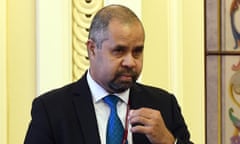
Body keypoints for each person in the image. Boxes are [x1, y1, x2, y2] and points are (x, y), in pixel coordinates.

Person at [24, 4, 193, 144]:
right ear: (92, 49)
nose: (130, 62)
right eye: (119, 51)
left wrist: (169, 142)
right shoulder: (52, 110)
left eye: (137, 52)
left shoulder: (163, 105)